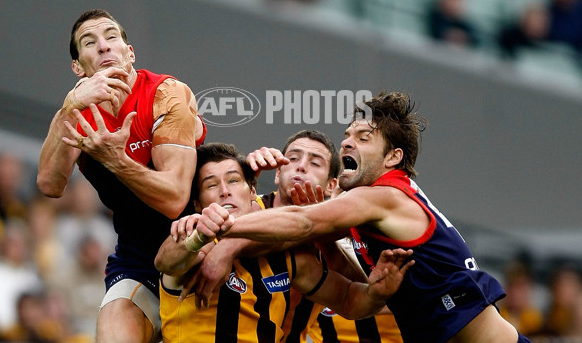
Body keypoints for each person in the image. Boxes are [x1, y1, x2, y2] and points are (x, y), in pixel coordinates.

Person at [214, 90, 531, 343]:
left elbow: (302, 222)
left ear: (393, 157)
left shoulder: (383, 197)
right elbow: (319, 246)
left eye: (364, 137)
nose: (348, 141)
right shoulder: (364, 202)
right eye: (348, 135)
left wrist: (221, 230)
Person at [36, 8, 206, 343]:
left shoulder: (165, 93)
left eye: (111, 37)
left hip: (199, 250)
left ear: (129, 53)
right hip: (138, 259)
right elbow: (50, 184)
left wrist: (116, 160)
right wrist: (69, 106)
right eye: (89, 42)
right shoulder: (77, 112)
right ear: (78, 67)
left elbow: (174, 199)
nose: (103, 47)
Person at [154, 142, 414, 343]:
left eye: (234, 180)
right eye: (211, 185)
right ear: (198, 204)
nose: (225, 190)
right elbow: (166, 261)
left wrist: (376, 293)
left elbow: (348, 299)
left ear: (252, 191)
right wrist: (198, 236)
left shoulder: (291, 255)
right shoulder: (195, 240)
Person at [246, 130, 403, 343]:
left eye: (315, 163)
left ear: (331, 186)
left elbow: (369, 296)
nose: (301, 166)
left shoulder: (338, 240)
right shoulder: (246, 211)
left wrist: (321, 235)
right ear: (276, 173)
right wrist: (244, 178)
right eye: (292, 158)